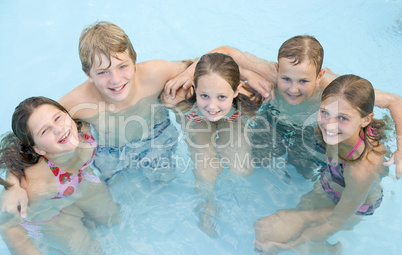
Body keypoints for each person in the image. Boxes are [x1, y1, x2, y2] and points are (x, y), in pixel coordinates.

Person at [1, 21, 199, 218]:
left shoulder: (157, 73)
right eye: (103, 72)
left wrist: (189, 73)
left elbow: (208, 63)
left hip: (159, 137)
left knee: (165, 182)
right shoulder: (75, 102)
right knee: (120, 199)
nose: (116, 80)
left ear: (134, 60)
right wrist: (12, 185)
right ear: (88, 74)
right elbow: (26, 140)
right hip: (112, 154)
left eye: (122, 66)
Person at [165, 35, 402, 180]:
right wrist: (188, 72)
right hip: (276, 120)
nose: (293, 89)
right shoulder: (270, 71)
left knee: (305, 173)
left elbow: (395, 101)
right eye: (286, 79)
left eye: (304, 81)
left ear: (320, 75)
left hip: (314, 130)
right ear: (278, 69)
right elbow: (224, 52)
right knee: (255, 162)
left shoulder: (333, 87)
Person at [253, 75, 389, 255]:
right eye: (324, 112)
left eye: (343, 118)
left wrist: (282, 247)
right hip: (330, 183)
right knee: (268, 227)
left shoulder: (361, 169)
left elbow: (336, 221)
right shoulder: (329, 127)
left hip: (354, 205)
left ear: (366, 120)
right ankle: (329, 248)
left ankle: (333, 251)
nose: (330, 124)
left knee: (269, 233)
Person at [0, 97, 121, 255]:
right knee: (89, 251)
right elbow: (7, 227)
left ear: (67, 113)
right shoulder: (36, 186)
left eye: (57, 118)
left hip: (82, 183)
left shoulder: (82, 127)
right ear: (38, 149)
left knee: (114, 218)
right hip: (51, 215)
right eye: (44, 131)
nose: (59, 129)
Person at [162, 53, 263, 236]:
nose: (212, 106)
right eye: (205, 95)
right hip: (196, 120)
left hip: (232, 118)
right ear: (194, 87)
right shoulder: (179, 100)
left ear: (236, 91)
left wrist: (248, 74)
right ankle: (207, 206)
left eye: (222, 97)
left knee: (242, 170)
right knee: (205, 173)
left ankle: (228, 185)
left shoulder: (250, 99)